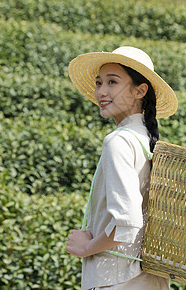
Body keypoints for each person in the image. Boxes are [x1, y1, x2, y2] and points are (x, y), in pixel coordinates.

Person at [66, 46, 178, 290]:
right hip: (149, 280)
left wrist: (86, 247)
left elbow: (127, 222)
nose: (101, 92)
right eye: (99, 83)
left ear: (140, 90)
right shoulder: (146, 139)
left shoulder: (118, 141)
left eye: (112, 82)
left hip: (119, 280)